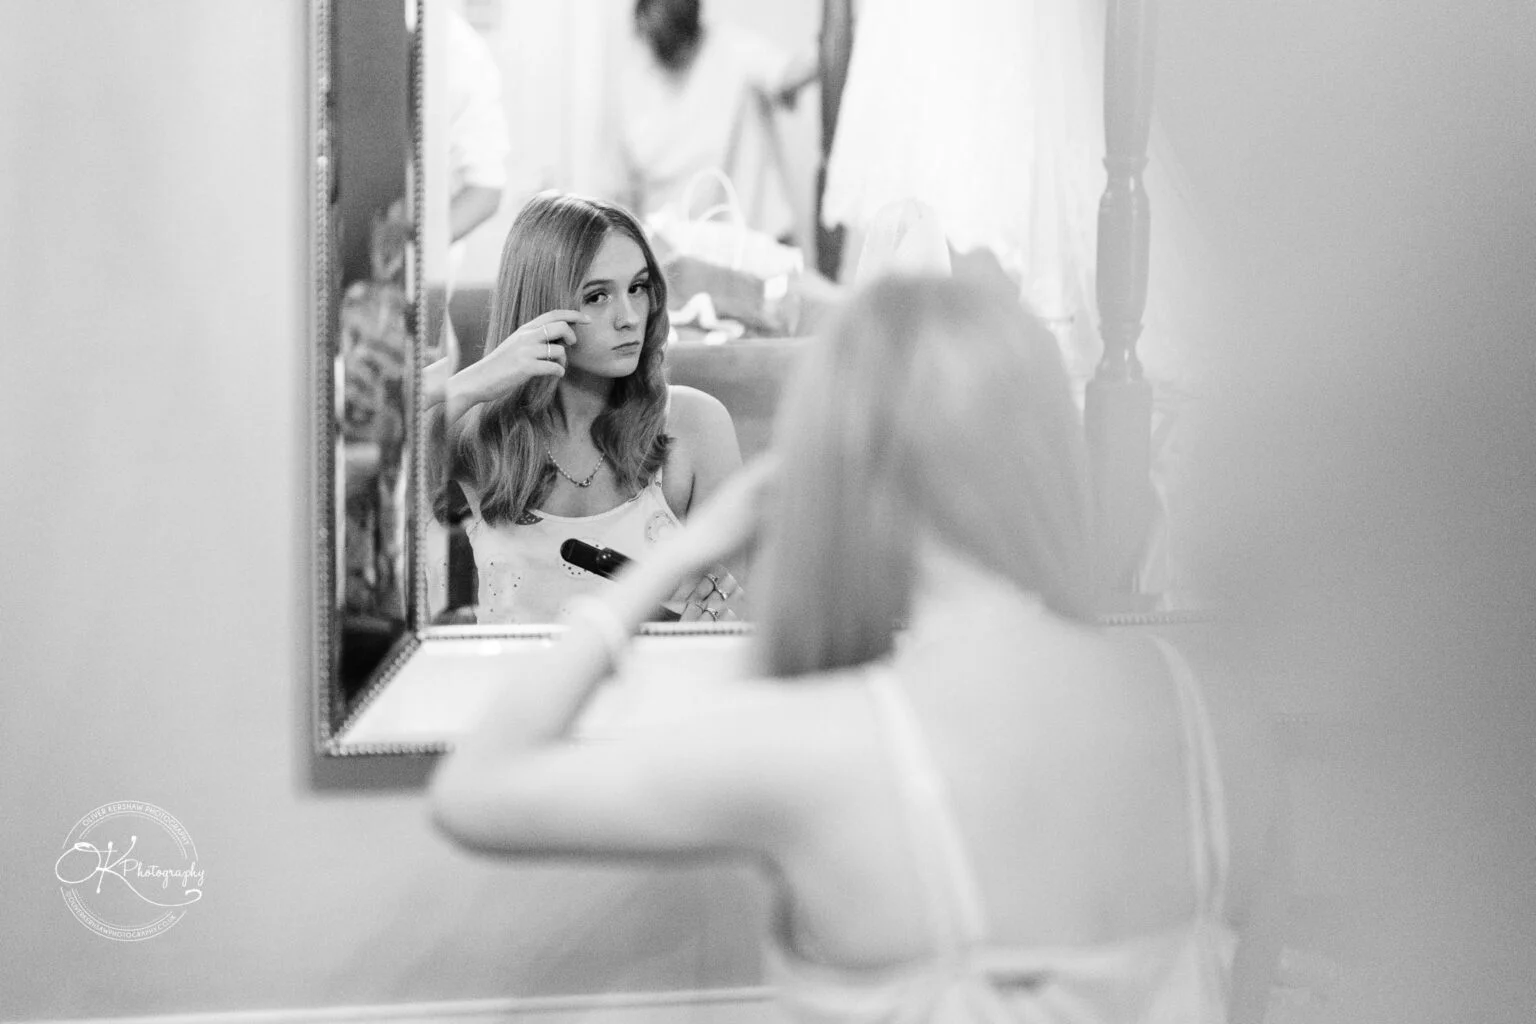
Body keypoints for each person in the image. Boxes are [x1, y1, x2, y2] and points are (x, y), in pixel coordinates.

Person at [429, 274, 1288, 1022]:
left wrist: (677, 559)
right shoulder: (1208, 710)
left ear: (838, 462)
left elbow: (477, 791)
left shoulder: (828, 744)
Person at [434, 191, 746, 625]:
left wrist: (703, 630)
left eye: (637, 288)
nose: (630, 317)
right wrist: (478, 379)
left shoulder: (693, 427)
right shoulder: (474, 435)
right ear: (539, 307)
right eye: (597, 296)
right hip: (513, 689)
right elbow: (363, 458)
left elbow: (746, 611)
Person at [613, 0, 817, 243]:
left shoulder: (732, 48)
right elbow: (625, 186)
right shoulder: (633, 81)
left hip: (755, 243)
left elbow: (789, 74)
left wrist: (847, 37)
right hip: (674, 252)